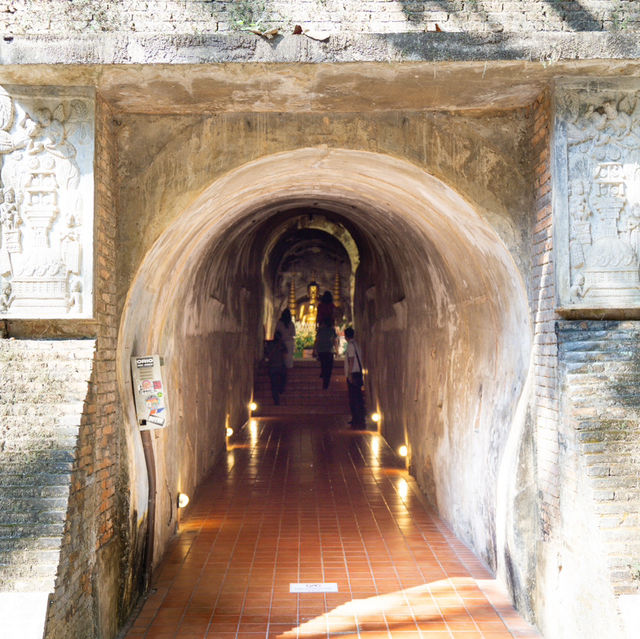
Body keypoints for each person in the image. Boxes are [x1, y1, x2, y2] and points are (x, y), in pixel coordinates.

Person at [344, 326, 366, 428]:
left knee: (354, 397)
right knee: (358, 396)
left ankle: (356, 418)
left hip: (353, 373)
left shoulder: (350, 346)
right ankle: (360, 418)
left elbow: (351, 360)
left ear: (346, 336)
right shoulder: (357, 344)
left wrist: (349, 374)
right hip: (358, 372)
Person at [313, 318, 338, 389]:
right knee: (329, 367)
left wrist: (314, 349)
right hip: (329, 350)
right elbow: (335, 340)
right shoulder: (332, 330)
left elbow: (316, 340)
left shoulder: (320, 330)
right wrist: (336, 350)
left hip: (321, 350)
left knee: (323, 364)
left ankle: (323, 374)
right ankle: (326, 382)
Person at [265, 330, 287, 405]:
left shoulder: (270, 345)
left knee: (274, 384)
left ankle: (276, 400)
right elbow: (285, 354)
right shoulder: (282, 344)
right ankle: (281, 389)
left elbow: (267, 355)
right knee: (282, 379)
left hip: (272, 366)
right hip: (280, 366)